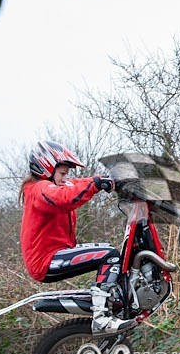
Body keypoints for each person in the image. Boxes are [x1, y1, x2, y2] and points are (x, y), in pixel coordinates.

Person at [19, 140, 134, 334]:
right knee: (110, 255)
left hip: (55, 255)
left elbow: (76, 184)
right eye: (62, 173)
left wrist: (108, 181)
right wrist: (96, 184)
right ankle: (101, 318)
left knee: (115, 256)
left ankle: (116, 304)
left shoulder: (53, 185)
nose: (66, 178)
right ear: (46, 168)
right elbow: (64, 197)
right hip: (46, 261)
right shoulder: (39, 189)